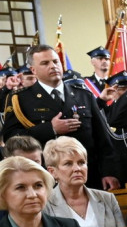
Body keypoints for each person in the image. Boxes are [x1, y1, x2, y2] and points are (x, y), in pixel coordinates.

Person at [1, 45, 120, 191]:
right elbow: (11, 139)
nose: (53, 66)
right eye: (45, 63)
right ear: (33, 70)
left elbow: (103, 139)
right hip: (46, 179)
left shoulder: (84, 95)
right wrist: (50, 129)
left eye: (55, 62)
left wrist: (109, 172)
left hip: (88, 177)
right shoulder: (20, 99)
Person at [42, 136, 123, 227]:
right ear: (52, 172)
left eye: (81, 162)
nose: (77, 169)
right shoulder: (45, 204)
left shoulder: (108, 199)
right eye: (68, 163)